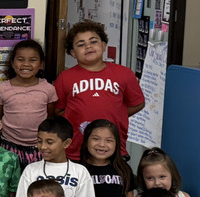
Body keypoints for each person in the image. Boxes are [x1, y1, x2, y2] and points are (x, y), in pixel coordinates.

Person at [0, 38, 56, 197]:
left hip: (38, 151)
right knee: (10, 195)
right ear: (12, 63)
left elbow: (50, 120)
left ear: (41, 64)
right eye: (20, 59)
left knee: (35, 194)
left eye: (33, 60)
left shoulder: (48, 89)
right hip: (9, 148)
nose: (26, 64)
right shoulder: (3, 89)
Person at [55, 20, 144, 160]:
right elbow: (58, 110)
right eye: (81, 44)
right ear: (73, 53)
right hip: (77, 150)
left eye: (93, 42)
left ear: (103, 46)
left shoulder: (124, 74)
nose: (88, 46)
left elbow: (137, 103)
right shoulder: (64, 78)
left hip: (113, 149)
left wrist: (117, 113)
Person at [15, 115, 95, 197]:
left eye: (49, 142)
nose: (42, 147)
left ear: (66, 143)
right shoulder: (31, 170)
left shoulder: (80, 171)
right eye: (39, 141)